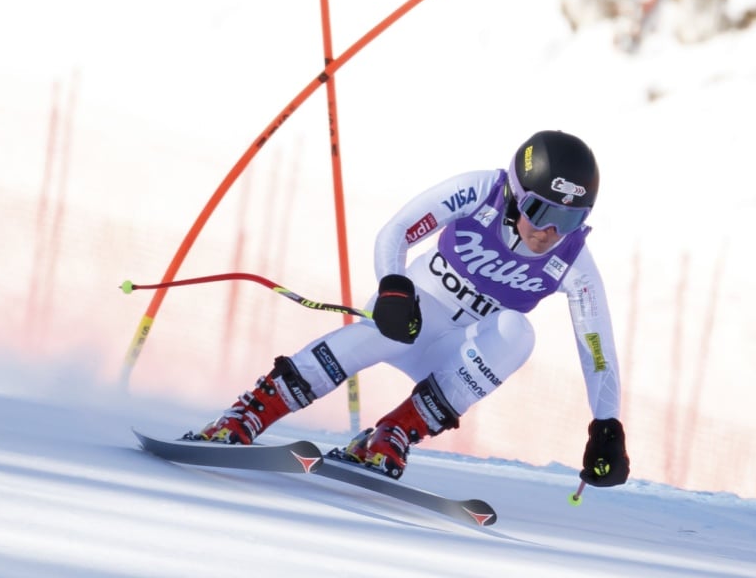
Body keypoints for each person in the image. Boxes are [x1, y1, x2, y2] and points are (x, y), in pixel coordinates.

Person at [188, 129, 629, 489]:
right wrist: (393, 286)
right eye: (539, 210)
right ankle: (249, 414)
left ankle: (392, 433)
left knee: (518, 332)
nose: (550, 232)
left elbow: (597, 346)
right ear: (515, 195)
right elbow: (396, 231)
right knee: (395, 321)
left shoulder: (573, 262)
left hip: (455, 356)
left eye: (569, 220)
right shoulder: (481, 191)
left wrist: (606, 425)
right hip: (411, 317)